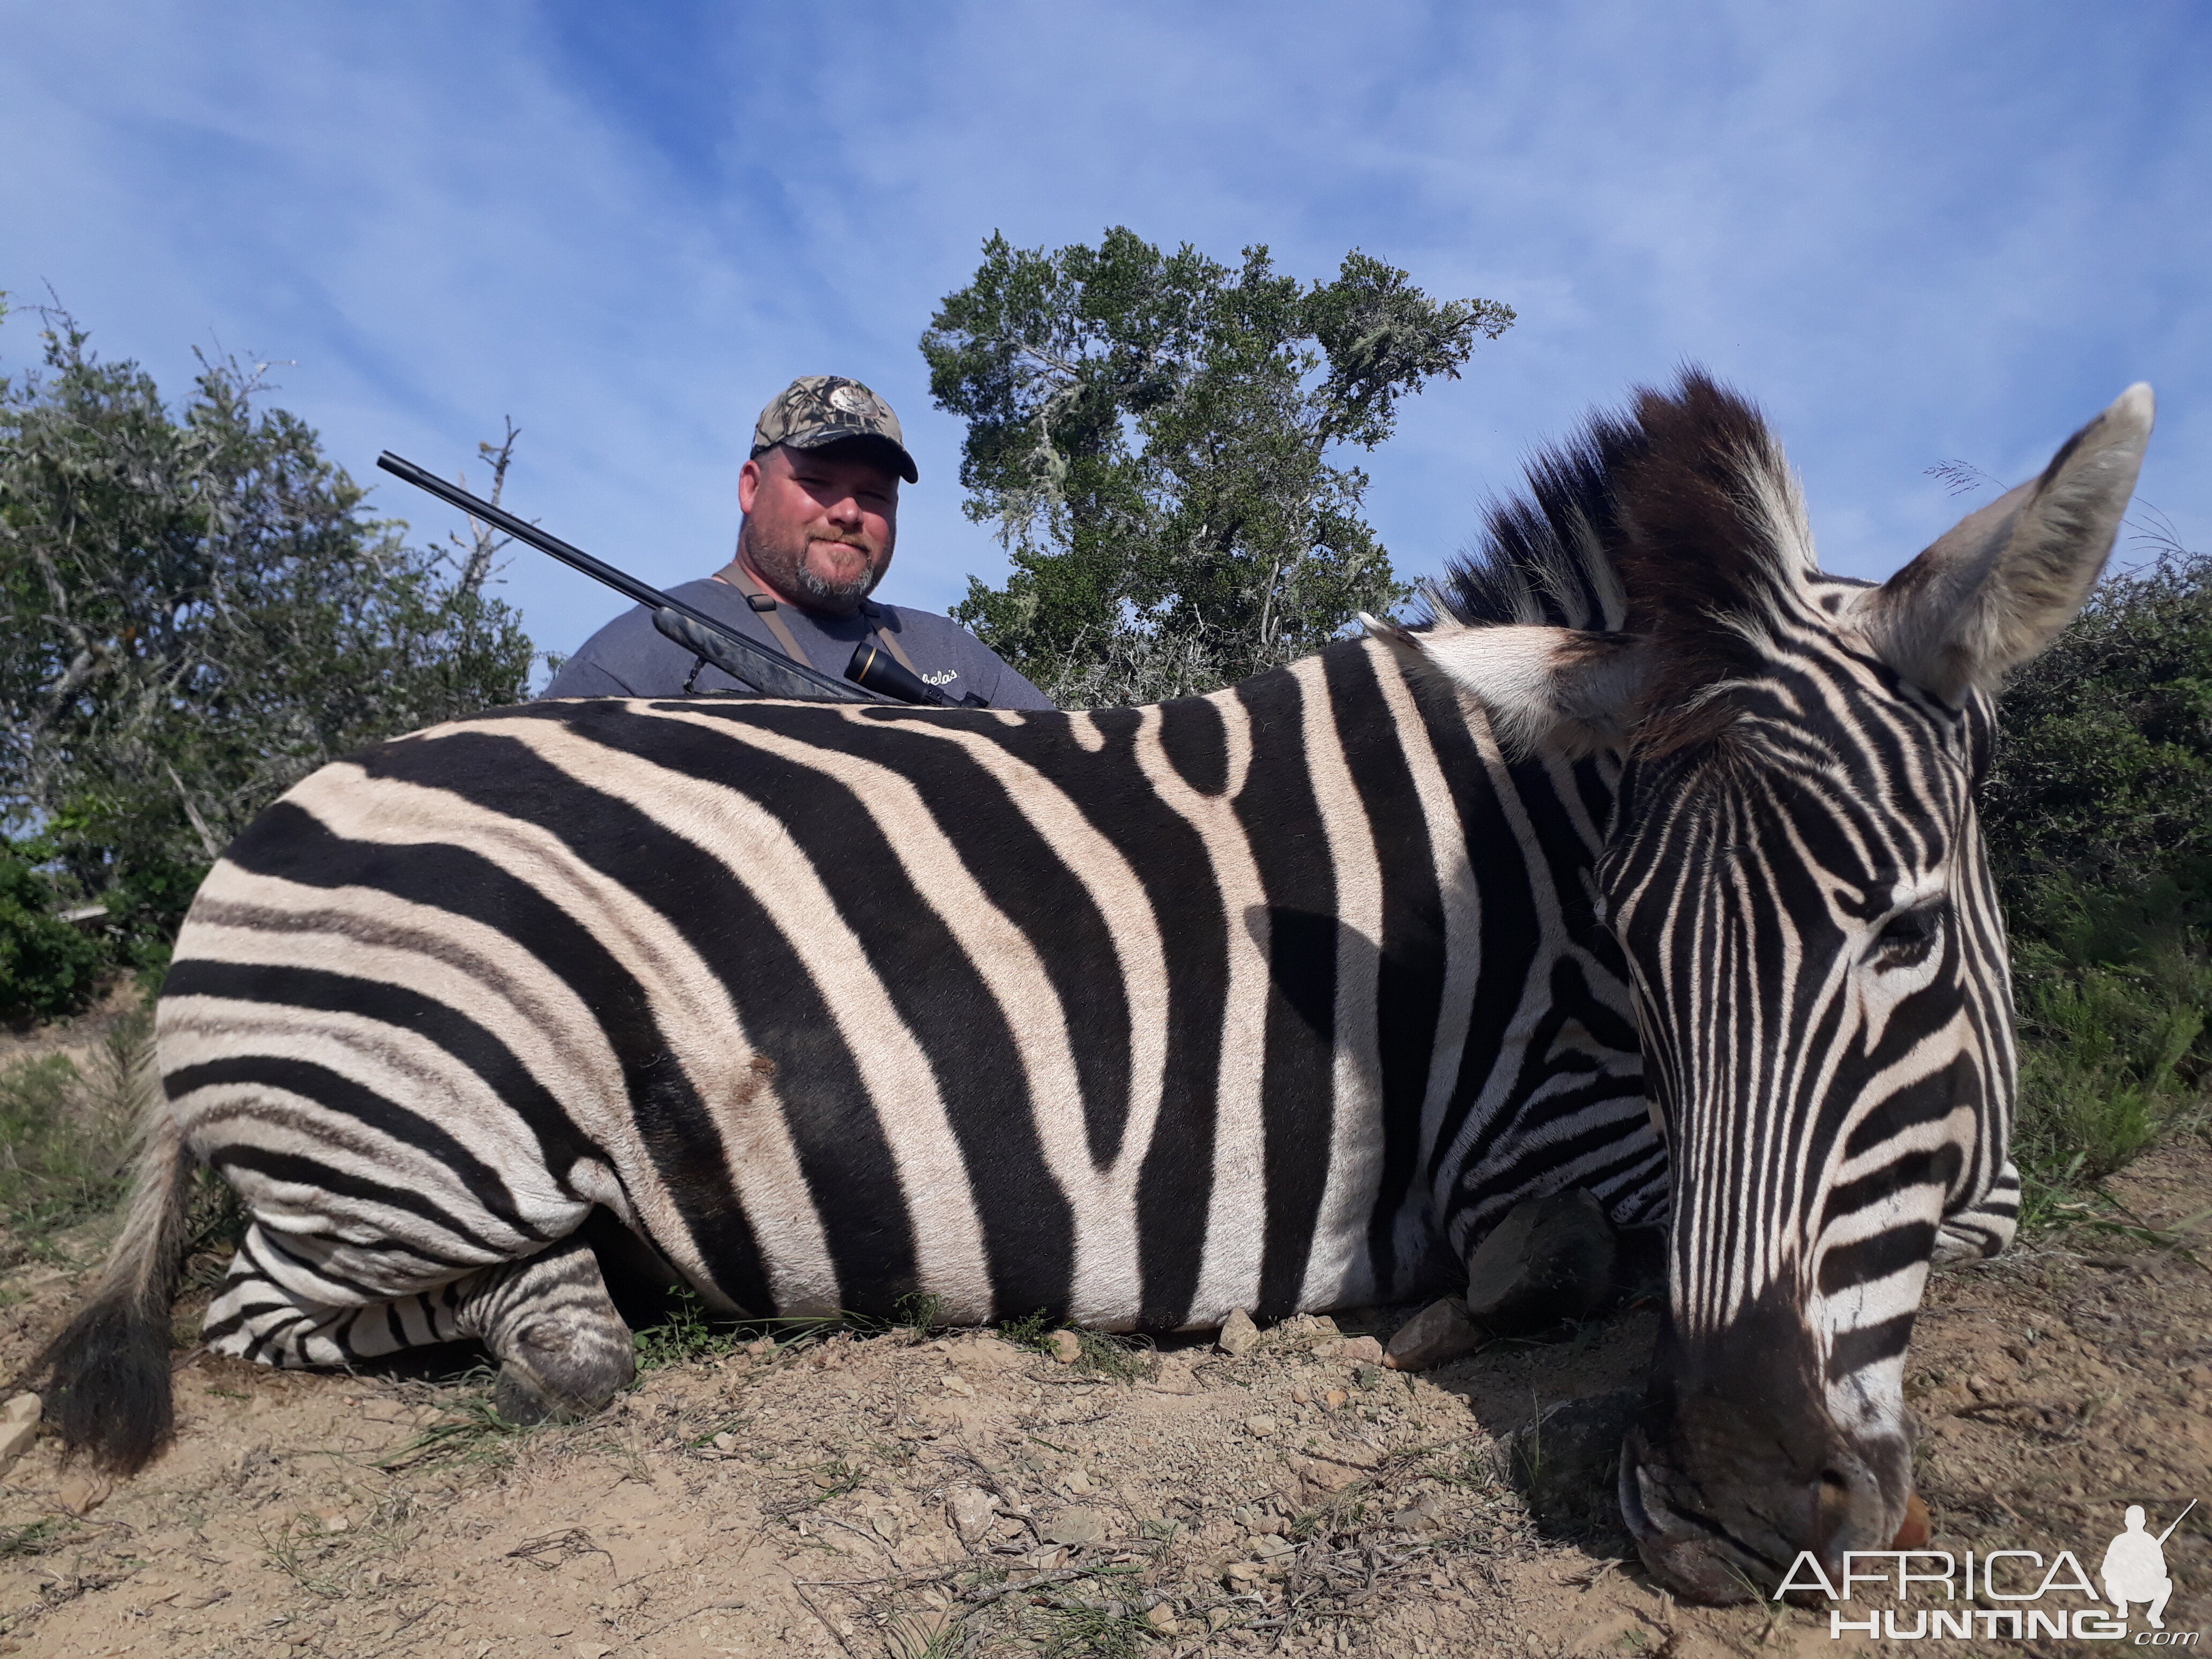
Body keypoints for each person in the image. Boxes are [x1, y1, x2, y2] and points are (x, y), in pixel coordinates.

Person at [543, 375, 1053, 709]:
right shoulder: (635, 659)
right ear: (751, 486)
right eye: (816, 483)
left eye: (874, 494)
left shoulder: (948, 652)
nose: (850, 512)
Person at [2100, 1505, 2173, 1629]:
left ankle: (2154, 1614)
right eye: (2132, 1520)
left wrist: (2147, 1568)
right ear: (2126, 1522)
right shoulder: (2119, 1541)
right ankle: (2122, 1606)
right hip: (2124, 1589)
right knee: (2113, 1582)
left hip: (2145, 1588)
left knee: (2167, 1583)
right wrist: (2122, 1570)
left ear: (2144, 1522)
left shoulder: (2151, 1541)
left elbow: (2162, 1571)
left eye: (2138, 1520)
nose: (2135, 1523)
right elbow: (2106, 1569)